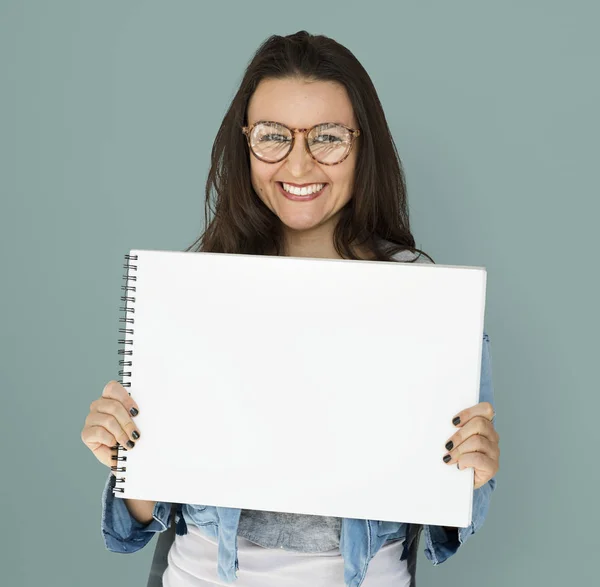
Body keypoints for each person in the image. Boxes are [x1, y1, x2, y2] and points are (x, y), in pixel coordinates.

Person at [81, 30, 499, 587]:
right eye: (273, 136)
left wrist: (472, 475)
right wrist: (126, 454)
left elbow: (449, 517)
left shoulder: (427, 302)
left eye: (327, 137)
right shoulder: (191, 289)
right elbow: (139, 522)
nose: (299, 165)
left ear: (362, 144)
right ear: (245, 142)